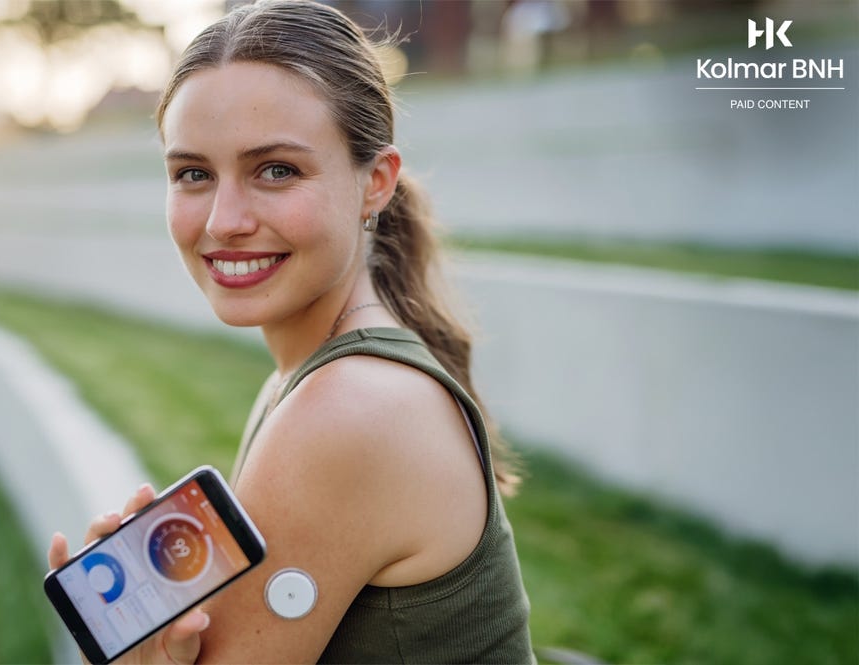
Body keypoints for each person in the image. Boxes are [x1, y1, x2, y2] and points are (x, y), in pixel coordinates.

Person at [49, 1, 534, 662]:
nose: (224, 220)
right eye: (193, 173)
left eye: (276, 170)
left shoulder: (349, 410)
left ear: (376, 182)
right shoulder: (305, 379)